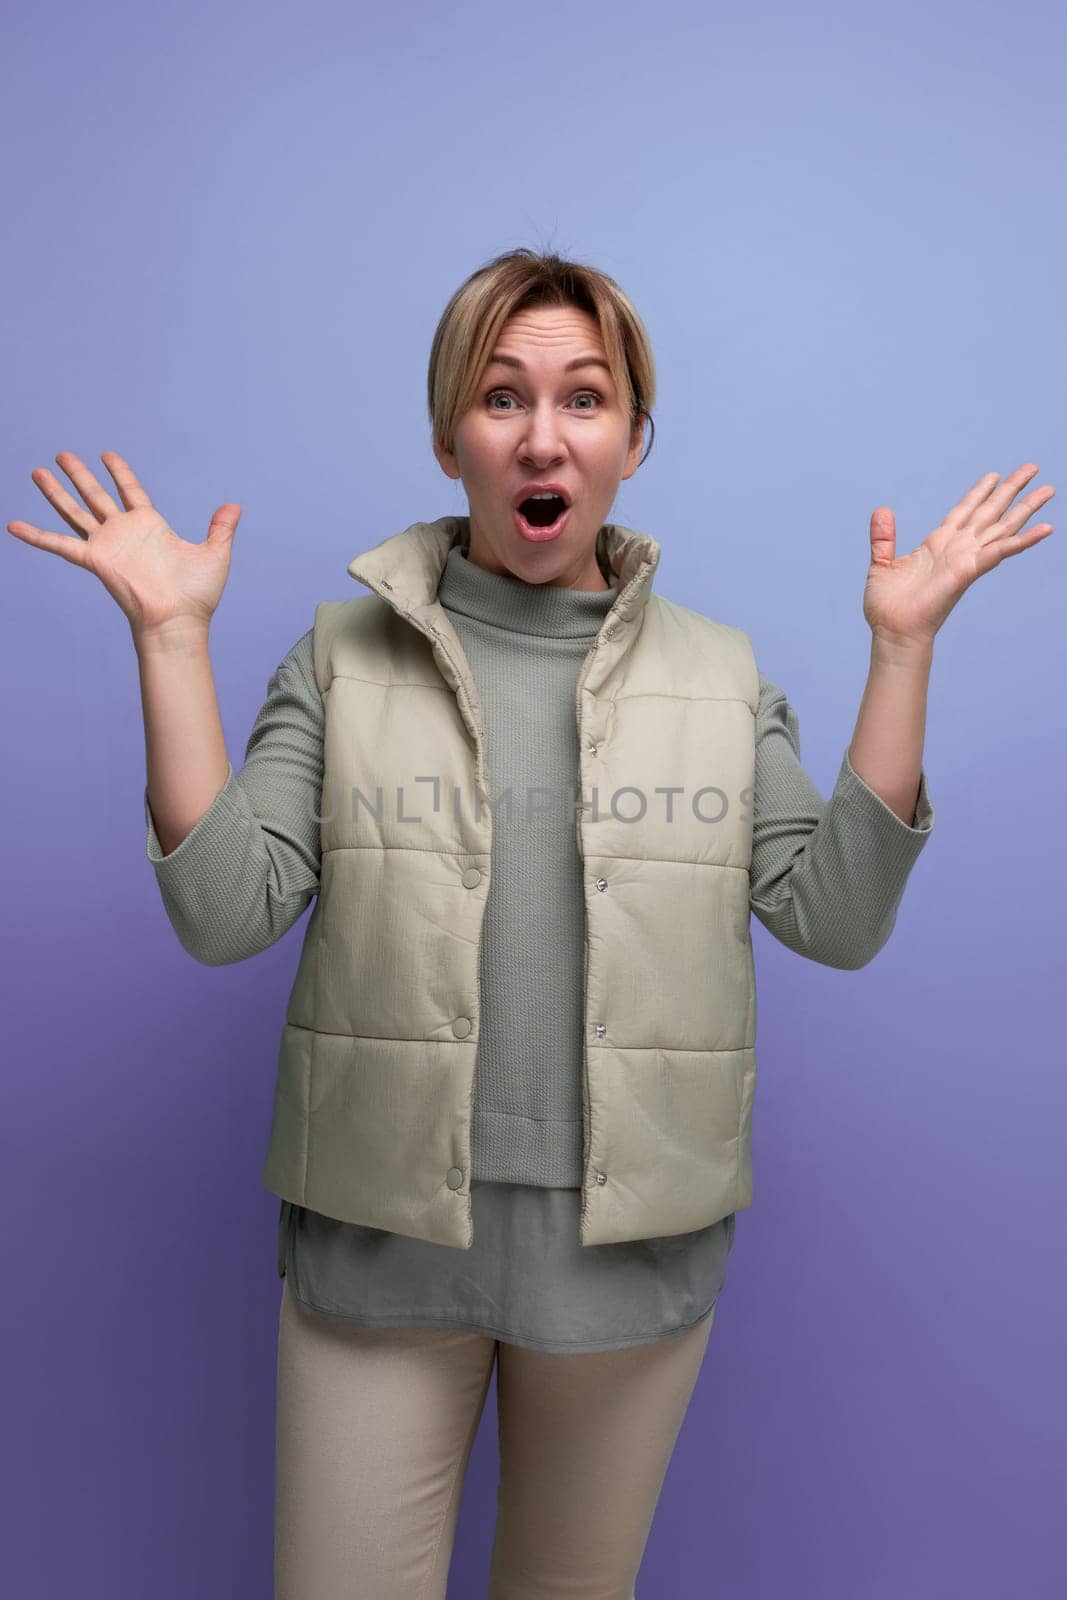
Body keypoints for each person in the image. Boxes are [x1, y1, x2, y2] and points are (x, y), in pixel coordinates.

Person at [7, 248, 1054, 1600]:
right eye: (501, 398)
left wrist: (903, 654)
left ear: (631, 437)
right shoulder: (338, 657)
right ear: (450, 435)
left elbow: (839, 918)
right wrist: (167, 642)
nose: (543, 434)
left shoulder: (723, 679)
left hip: (629, 1259)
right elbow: (222, 914)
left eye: (583, 398)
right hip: (378, 1247)